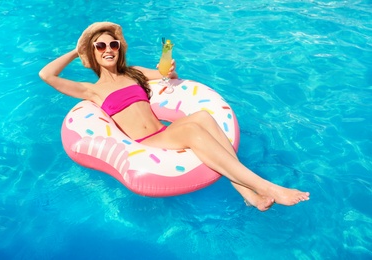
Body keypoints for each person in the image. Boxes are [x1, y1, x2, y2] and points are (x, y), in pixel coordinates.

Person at [39, 22, 310, 211]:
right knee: (193, 131)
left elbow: (168, 76)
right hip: (146, 143)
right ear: (94, 52)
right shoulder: (91, 90)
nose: (108, 49)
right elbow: (46, 75)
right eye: (100, 46)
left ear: (120, 48)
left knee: (203, 116)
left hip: (163, 132)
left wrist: (169, 69)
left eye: (113, 44)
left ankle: (247, 193)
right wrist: (80, 48)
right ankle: (268, 188)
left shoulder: (133, 72)